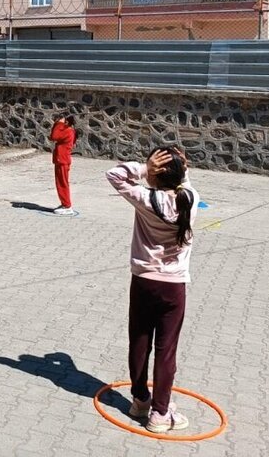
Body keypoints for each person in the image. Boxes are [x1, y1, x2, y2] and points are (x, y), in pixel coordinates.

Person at [105, 146, 199, 434]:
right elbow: (184, 181)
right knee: (166, 350)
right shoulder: (190, 199)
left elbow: (115, 174)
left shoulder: (145, 198)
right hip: (173, 287)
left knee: (139, 341)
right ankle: (160, 413)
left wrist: (144, 168)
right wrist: (176, 164)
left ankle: (140, 400)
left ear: (155, 176)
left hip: (144, 281)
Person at [50, 113, 77, 215]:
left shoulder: (68, 131)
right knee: (60, 183)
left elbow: (54, 136)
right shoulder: (68, 130)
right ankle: (64, 203)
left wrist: (58, 124)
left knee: (62, 183)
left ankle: (67, 206)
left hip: (63, 160)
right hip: (61, 160)